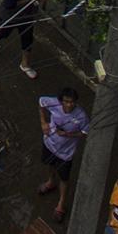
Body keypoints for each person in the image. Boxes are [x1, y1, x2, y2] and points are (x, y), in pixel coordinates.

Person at [37, 88, 87, 220]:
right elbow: (41, 103)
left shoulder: (81, 116)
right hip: (50, 143)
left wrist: (68, 134)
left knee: (64, 178)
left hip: (66, 153)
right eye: (66, 101)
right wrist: (43, 123)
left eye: (72, 102)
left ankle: (61, 203)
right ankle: (50, 182)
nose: (69, 105)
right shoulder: (53, 103)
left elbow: (85, 132)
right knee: (50, 165)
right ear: (61, 101)